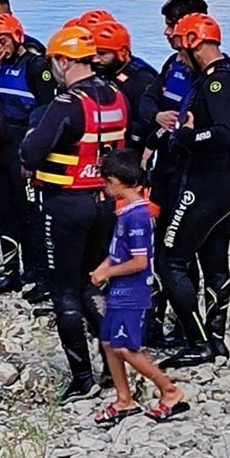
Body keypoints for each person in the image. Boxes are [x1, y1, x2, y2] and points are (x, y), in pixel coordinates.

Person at [20, 25, 127, 403]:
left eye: (55, 63)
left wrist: (31, 138)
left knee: (65, 292)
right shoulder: (116, 95)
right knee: (92, 284)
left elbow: (30, 154)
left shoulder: (66, 105)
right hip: (105, 202)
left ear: (65, 61)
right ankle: (118, 362)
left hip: (66, 205)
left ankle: (82, 377)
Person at [159, 14, 230, 369]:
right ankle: (215, 338)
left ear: (192, 42)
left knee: (169, 261)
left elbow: (223, 133)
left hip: (204, 185)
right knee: (214, 263)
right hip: (227, 181)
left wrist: (185, 136)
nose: (177, 54)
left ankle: (199, 341)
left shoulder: (215, 84)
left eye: (179, 45)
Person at [89, 149, 189, 426]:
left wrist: (108, 270)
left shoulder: (138, 217)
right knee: (109, 341)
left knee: (125, 346)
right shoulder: (127, 211)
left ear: (116, 181)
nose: (105, 187)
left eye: (106, 182)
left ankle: (169, 391)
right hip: (118, 287)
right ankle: (124, 399)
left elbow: (139, 261)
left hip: (132, 290)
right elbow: (119, 250)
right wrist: (103, 267)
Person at [138, 0, 206, 349]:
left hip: (192, 173)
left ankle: (190, 328)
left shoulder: (210, 72)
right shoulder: (172, 64)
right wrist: (157, 118)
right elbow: (148, 100)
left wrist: (183, 129)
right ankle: (157, 321)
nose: (165, 32)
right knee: (160, 244)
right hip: (164, 168)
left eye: (169, 25)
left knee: (180, 251)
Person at [0, 13, 56, 298]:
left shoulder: (36, 66)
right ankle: (11, 271)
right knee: (3, 210)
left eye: (2, 40)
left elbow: (48, 108)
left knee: (30, 212)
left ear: (17, 36)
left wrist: (33, 149)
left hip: (23, 144)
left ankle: (39, 271)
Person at [87, 19, 158, 148]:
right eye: (93, 53)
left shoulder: (141, 80)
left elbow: (145, 126)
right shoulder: (103, 70)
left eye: (102, 53)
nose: (95, 59)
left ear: (122, 53)